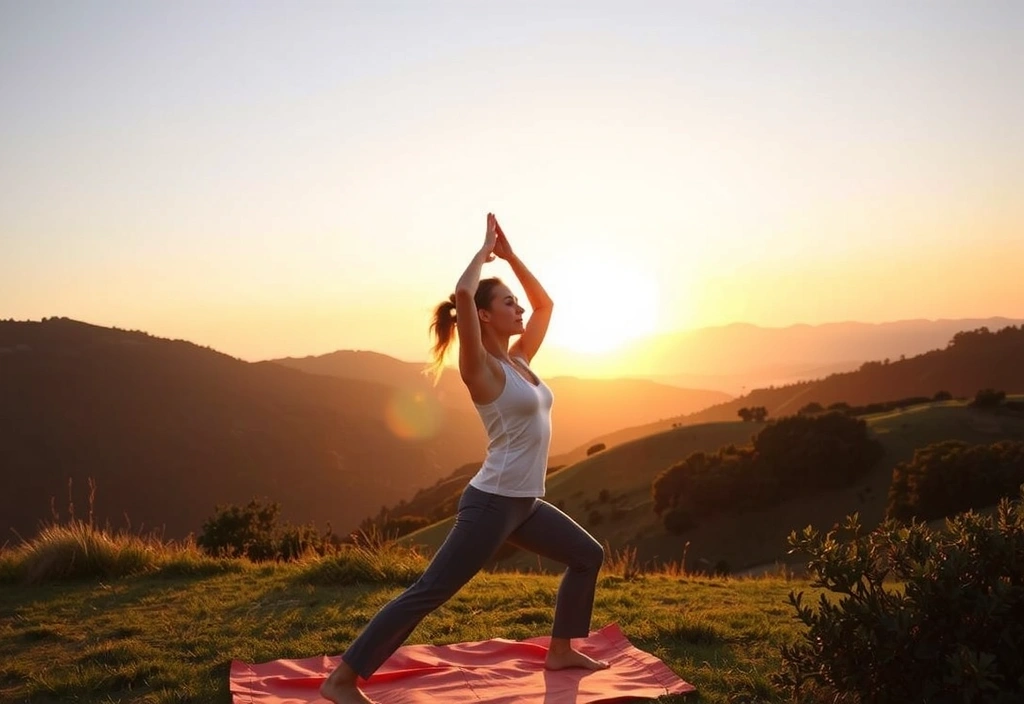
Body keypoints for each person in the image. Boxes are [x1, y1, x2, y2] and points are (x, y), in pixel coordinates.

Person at [320, 213, 608, 704]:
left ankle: (560, 649)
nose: (519, 308)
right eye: (507, 302)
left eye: (515, 301)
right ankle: (341, 681)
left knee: (587, 556)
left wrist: (511, 257)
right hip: (492, 503)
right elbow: (462, 295)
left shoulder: (520, 362)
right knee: (429, 591)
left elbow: (546, 305)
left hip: (525, 504)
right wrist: (482, 253)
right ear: (485, 316)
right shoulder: (482, 369)